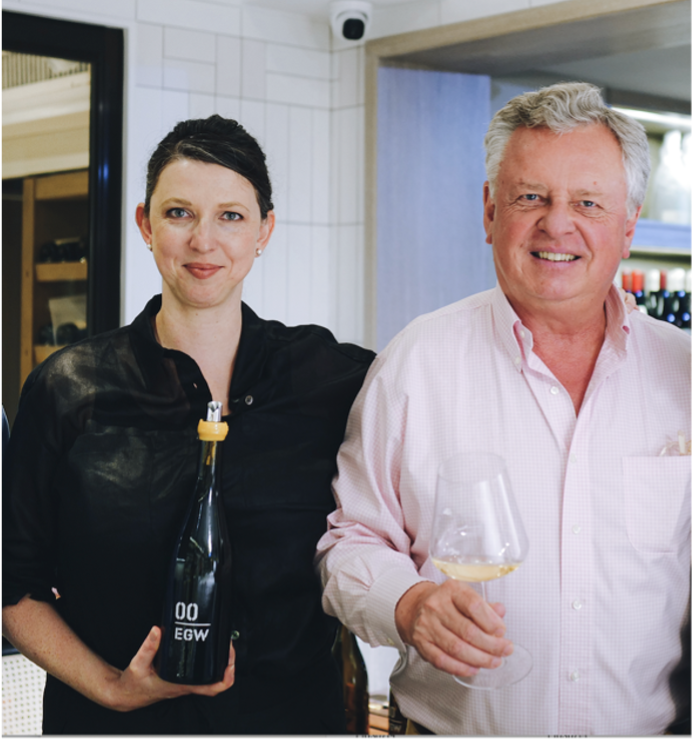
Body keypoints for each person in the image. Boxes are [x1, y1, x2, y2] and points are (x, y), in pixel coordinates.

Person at [317, 83, 692, 737]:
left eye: (587, 202)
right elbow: (350, 542)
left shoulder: (683, 373)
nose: (557, 223)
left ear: (627, 226)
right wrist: (406, 603)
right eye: (530, 198)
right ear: (490, 211)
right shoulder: (416, 363)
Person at [1, 115, 375, 735]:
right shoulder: (68, 389)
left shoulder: (333, 380)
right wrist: (114, 689)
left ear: (264, 231)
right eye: (179, 214)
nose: (205, 241)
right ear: (146, 224)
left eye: (231, 215)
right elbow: (14, 586)